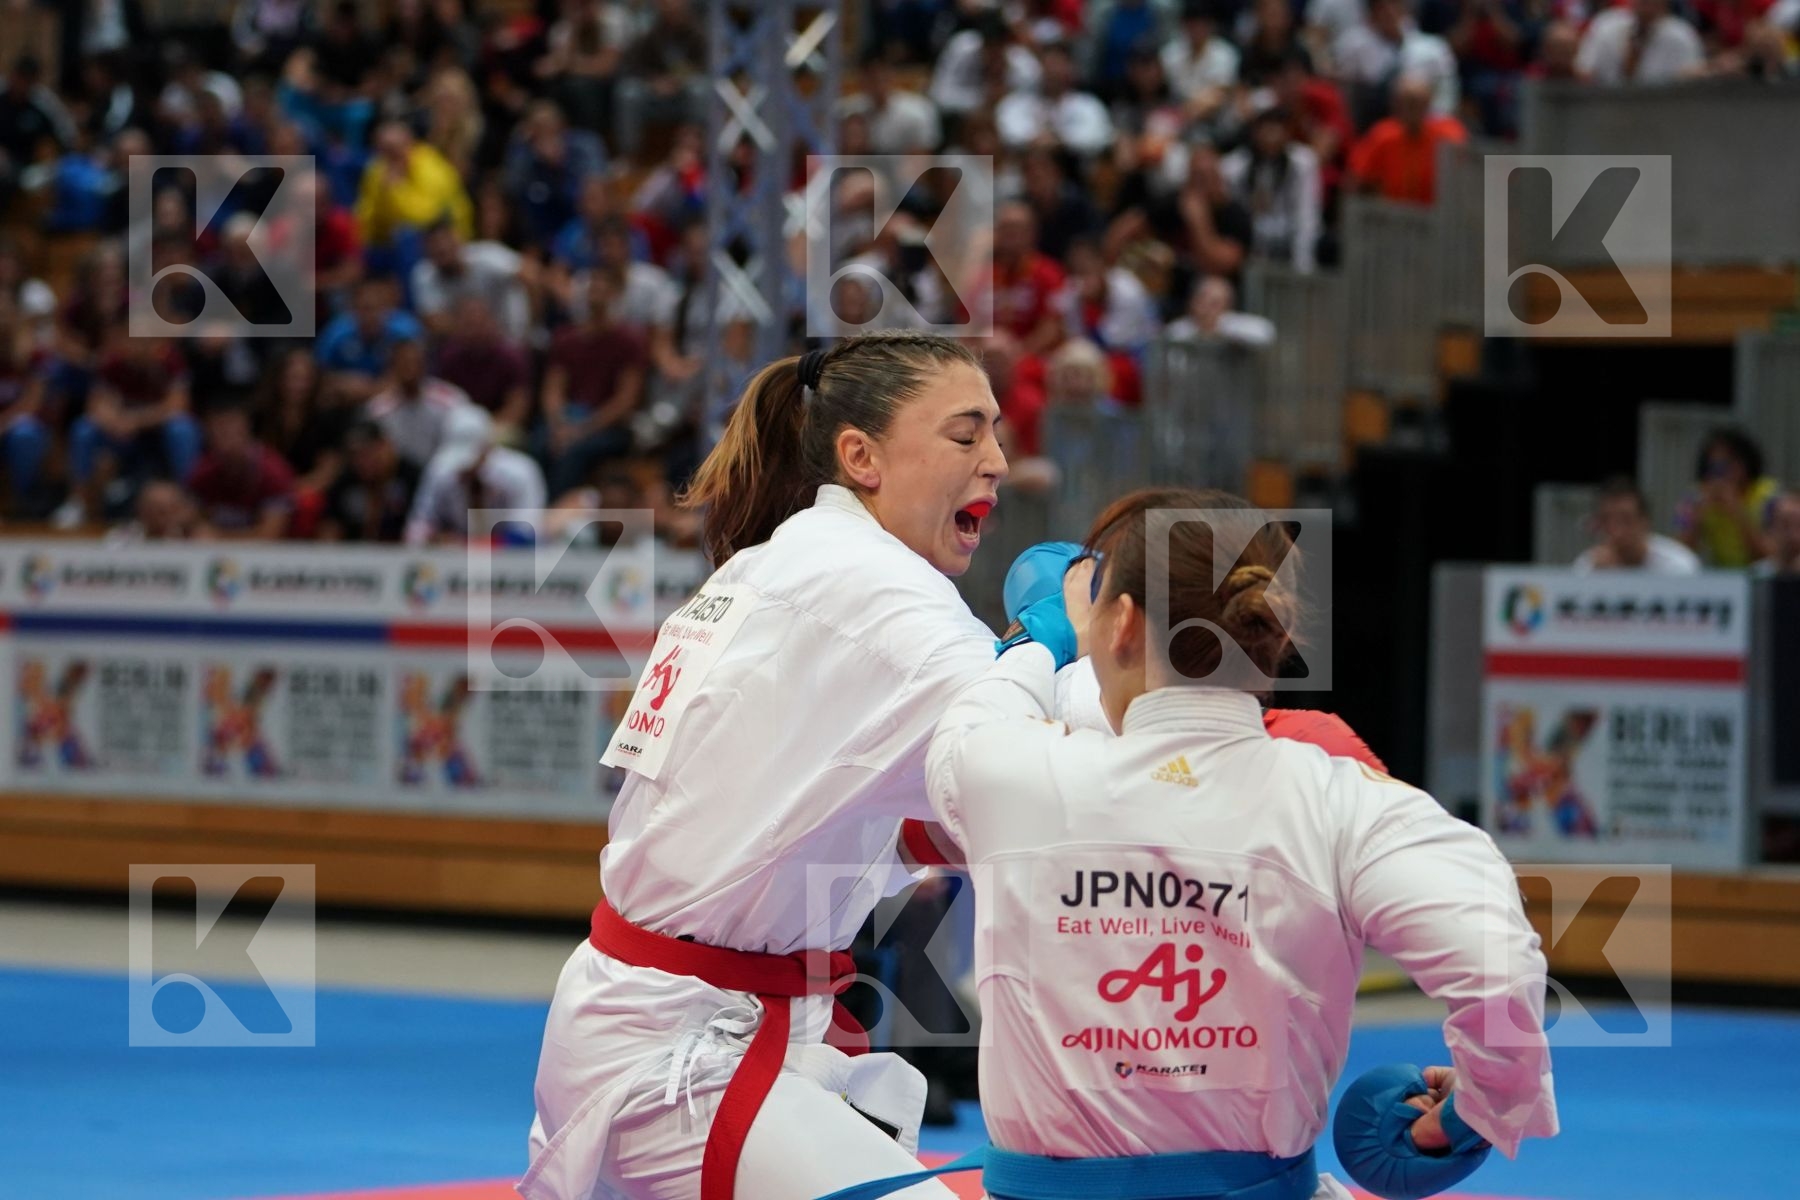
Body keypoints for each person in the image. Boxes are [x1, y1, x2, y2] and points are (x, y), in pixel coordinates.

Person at [917, 487, 1558, 1200]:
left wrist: (1040, 640)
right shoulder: (1343, 799)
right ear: (1275, 637)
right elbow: (1497, 969)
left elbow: (972, 720)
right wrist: (1477, 1112)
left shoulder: (1008, 773)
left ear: (1122, 623)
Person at [523, 333, 1017, 1200]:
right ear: (860, 455)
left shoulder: (776, 565)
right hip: (688, 1052)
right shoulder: (874, 587)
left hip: (665, 1015)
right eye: (965, 435)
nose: (998, 462)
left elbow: (802, 807)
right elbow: (1039, 751)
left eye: (996, 434)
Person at [1674, 426, 1779, 568]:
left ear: (1745, 463)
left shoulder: (1770, 496)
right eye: (1715, 466)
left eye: (1728, 464)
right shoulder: (1693, 498)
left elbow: (1771, 555)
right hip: (1722, 577)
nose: (1722, 474)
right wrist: (1697, 517)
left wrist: (1738, 512)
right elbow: (1679, 556)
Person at [1574, 477, 1701, 574]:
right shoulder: (1589, 566)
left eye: (1626, 520)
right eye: (1606, 520)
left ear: (1644, 522)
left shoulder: (1678, 566)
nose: (1617, 531)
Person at [1752, 489, 1800, 576]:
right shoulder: (1758, 575)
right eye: (1786, 525)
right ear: (1771, 530)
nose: (1794, 535)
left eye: (1798, 526)